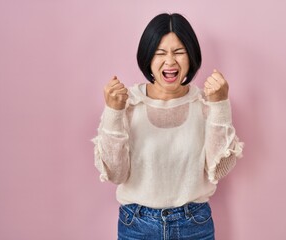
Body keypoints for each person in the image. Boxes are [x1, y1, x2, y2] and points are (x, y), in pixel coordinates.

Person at [92, 13, 243, 240]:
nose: (170, 61)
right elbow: (115, 174)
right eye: (160, 53)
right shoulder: (127, 102)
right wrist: (114, 111)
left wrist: (220, 105)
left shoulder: (204, 103)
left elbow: (218, 169)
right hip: (137, 225)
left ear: (191, 56)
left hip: (194, 224)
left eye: (179, 52)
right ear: (147, 58)